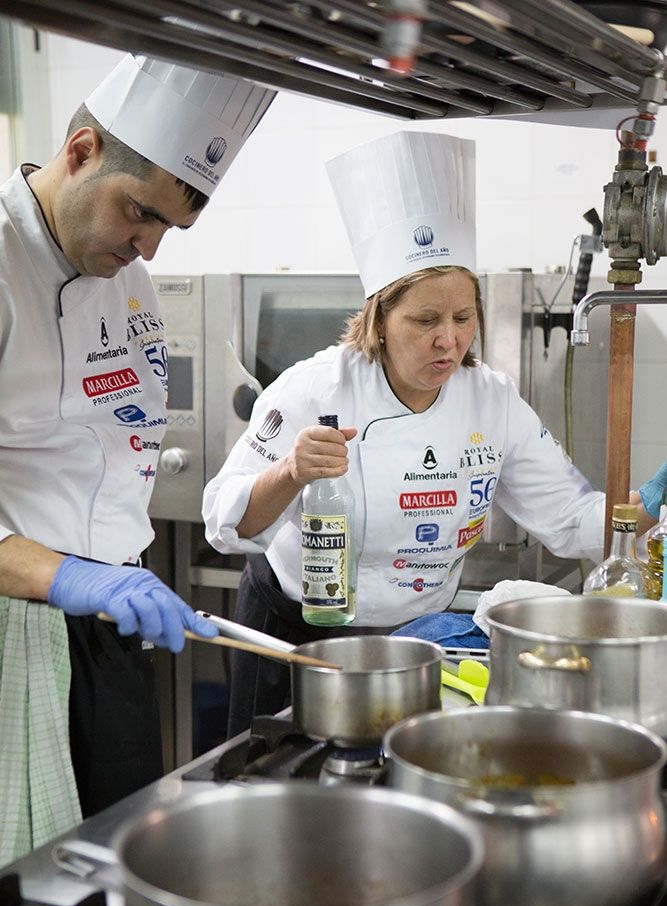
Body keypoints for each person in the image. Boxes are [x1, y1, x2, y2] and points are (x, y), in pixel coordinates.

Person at [202, 130, 667, 738]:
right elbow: (222, 519)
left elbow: (565, 515)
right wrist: (289, 473)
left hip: (416, 645)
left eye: (463, 317)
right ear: (379, 319)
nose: (448, 340)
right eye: (425, 320)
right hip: (296, 636)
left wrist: (632, 516)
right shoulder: (311, 389)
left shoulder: (492, 401)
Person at [0, 53, 275, 862]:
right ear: (81, 150)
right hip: (19, 632)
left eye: (168, 228)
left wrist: (115, 570)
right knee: (33, 886)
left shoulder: (124, 272)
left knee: (117, 859)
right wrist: (70, 575)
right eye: (137, 211)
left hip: (108, 630)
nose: (147, 246)